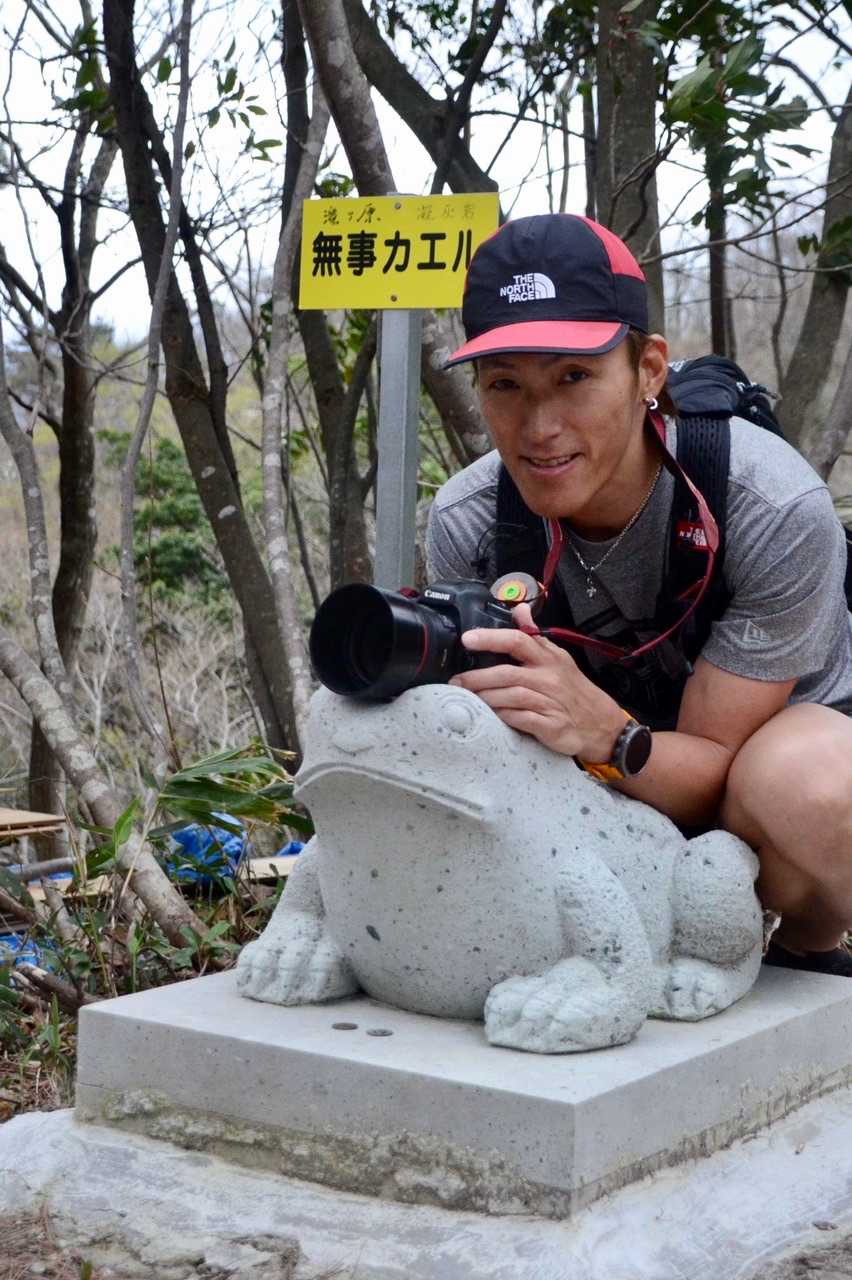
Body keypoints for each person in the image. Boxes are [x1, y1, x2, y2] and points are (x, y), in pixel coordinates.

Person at [425, 212, 852, 976]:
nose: (539, 427)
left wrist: (601, 729)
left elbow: (715, 775)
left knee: (808, 787)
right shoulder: (471, 521)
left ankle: (793, 948)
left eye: (574, 377)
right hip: (597, 803)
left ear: (649, 370)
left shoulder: (768, 504)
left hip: (756, 788)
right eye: (505, 384)